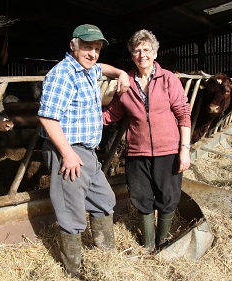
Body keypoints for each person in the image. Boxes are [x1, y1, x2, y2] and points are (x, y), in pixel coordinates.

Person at [37, 24, 130, 277]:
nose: (93, 53)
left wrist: (121, 72)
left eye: (97, 49)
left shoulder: (89, 70)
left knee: (104, 201)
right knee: (72, 213)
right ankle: (73, 271)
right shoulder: (63, 74)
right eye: (87, 47)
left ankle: (105, 259)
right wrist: (67, 153)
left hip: (87, 152)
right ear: (73, 45)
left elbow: (104, 68)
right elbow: (48, 118)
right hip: (67, 151)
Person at [103, 29, 191, 252]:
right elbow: (112, 114)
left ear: (155, 53)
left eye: (146, 50)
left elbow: (183, 114)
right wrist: (82, 118)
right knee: (141, 197)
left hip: (168, 150)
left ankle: (162, 243)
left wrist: (185, 149)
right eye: (136, 51)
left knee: (168, 197)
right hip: (137, 152)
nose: (142, 54)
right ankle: (149, 245)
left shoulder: (168, 79)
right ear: (131, 55)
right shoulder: (126, 84)